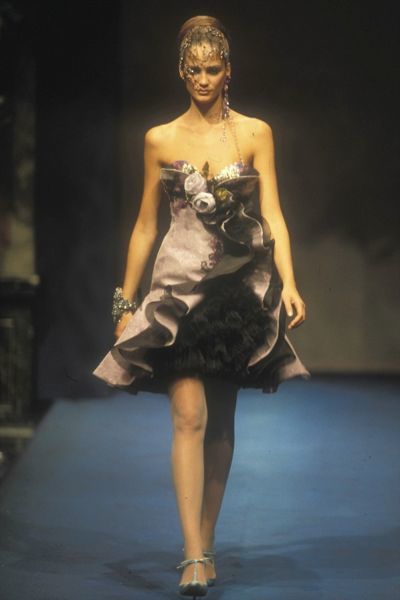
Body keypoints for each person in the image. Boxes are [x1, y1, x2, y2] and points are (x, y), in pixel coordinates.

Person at [93, 14, 309, 598]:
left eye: (213, 69)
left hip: (237, 292)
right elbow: (145, 224)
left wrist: (290, 282)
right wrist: (125, 299)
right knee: (188, 415)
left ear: (228, 71)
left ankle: (206, 541)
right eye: (194, 70)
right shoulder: (159, 139)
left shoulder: (256, 132)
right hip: (176, 292)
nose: (204, 79)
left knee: (222, 421)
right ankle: (191, 553)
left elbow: (274, 215)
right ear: (181, 72)